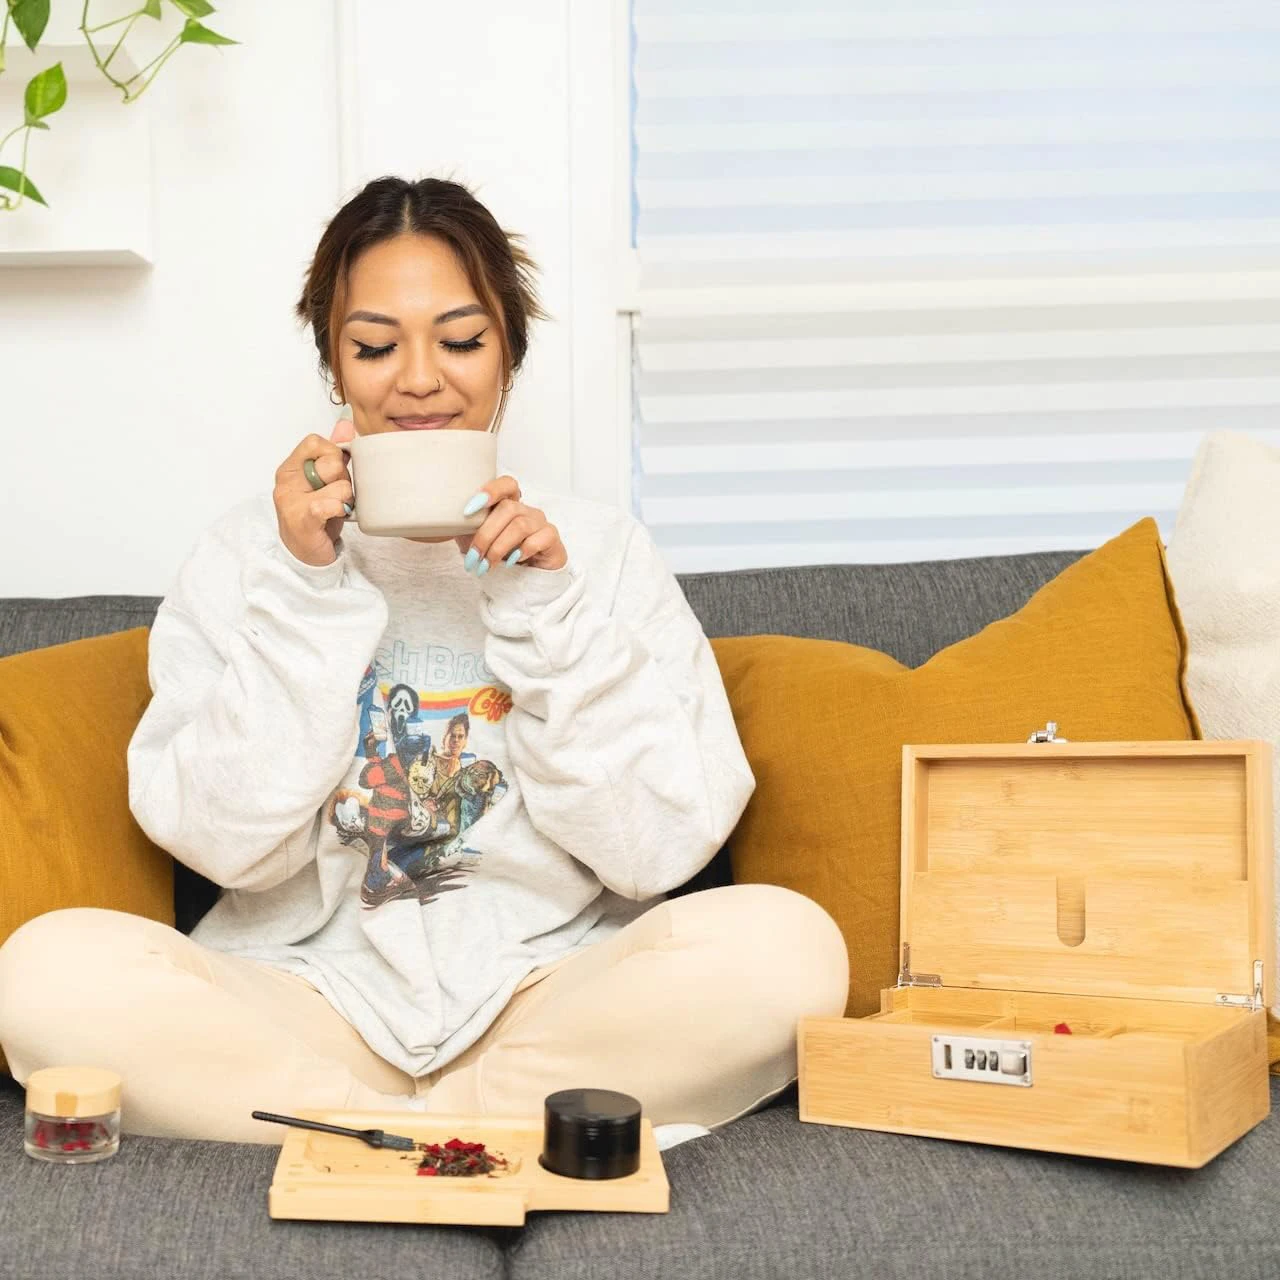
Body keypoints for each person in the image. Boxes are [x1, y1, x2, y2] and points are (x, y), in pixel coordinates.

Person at [0, 176, 849, 1144]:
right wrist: (309, 591)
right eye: (373, 345)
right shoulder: (247, 557)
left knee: (786, 945)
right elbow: (223, 843)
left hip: (549, 994)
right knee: (48, 967)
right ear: (332, 362)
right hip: (302, 995)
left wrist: (544, 607)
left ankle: (378, 1143)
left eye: (459, 339)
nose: (417, 379)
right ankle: (480, 1142)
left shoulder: (598, 552)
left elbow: (651, 854)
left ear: (508, 354)